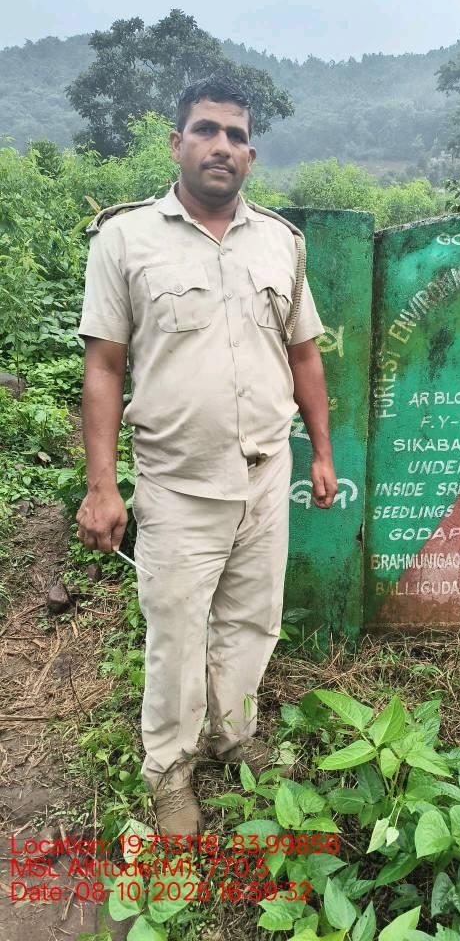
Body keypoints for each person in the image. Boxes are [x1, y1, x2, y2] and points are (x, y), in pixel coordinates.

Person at [75, 72, 337, 838]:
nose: (221, 146)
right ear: (177, 143)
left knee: (253, 621)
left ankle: (234, 736)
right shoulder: (126, 240)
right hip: (178, 482)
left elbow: (304, 354)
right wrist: (101, 486)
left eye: (236, 135)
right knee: (178, 634)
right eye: (206, 130)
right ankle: (170, 771)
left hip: (266, 473)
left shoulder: (281, 243)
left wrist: (321, 453)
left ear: (250, 154)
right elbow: (104, 365)